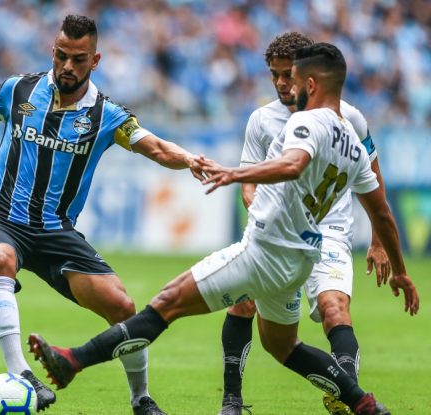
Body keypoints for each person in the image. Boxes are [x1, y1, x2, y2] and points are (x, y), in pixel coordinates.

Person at [27, 43, 420, 415]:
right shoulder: (352, 141)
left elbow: (292, 165)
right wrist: (401, 270)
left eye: (295, 81)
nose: (289, 88)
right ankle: (363, 402)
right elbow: (382, 213)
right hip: (300, 259)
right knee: (284, 347)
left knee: (166, 304)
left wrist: (236, 173)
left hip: (263, 253)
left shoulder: (305, 120)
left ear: (312, 84)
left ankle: (72, 361)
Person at [0, 14, 201, 414]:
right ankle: (22, 375)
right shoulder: (17, 89)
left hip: (55, 231)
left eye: (78, 58)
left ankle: (141, 399)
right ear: (52, 52)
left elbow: (157, 148)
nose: (67, 66)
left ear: (96, 61)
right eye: (61, 56)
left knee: (123, 308)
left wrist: (191, 159)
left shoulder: (107, 115)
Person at [218, 32, 391, 415]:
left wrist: (378, 242)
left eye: (287, 76)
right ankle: (231, 400)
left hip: (329, 233)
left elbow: (373, 179)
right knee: (242, 302)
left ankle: (348, 396)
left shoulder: (350, 117)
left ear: (306, 75)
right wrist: (259, 207)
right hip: (277, 234)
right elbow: (248, 180)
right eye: (274, 76)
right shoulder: (261, 120)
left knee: (334, 310)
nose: (281, 84)